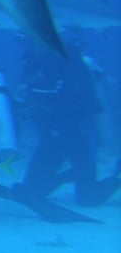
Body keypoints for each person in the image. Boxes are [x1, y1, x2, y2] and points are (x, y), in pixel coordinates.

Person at [13, 32, 121, 211]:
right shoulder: (32, 60)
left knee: (88, 198)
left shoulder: (70, 59)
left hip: (77, 133)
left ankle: (116, 176)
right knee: (31, 191)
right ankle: (70, 175)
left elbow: (84, 100)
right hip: (51, 135)